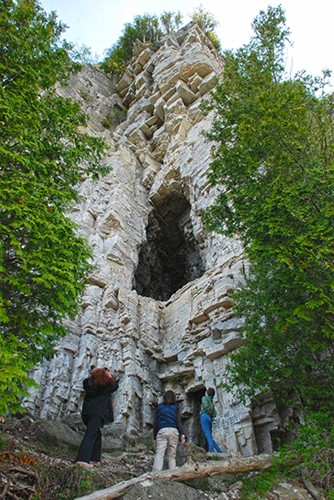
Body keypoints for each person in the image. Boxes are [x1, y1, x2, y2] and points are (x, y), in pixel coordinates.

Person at [75, 367, 119, 467]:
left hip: (87, 413)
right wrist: (110, 377)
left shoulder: (88, 384)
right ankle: (82, 459)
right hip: (97, 413)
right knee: (90, 434)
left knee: (96, 434)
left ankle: (95, 459)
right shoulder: (105, 385)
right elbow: (114, 386)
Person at [152, 390, 186, 472]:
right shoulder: (176, 407)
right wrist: (183, 435)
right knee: (171, 455)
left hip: (162, 430)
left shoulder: (159, 407)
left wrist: (154, 436)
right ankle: (172, 474)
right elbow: (178, 421)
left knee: (159, 453)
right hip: (174, 431)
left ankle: (156, 474)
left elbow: (155, 422)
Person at [200, 387, 222, 453]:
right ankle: (219, 451)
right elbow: (214, 413)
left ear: (207, 392)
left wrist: (208, 412)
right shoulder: (211, 401)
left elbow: (206, 406)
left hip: (204, 416)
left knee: (207, 434)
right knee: (209, 435)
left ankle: (211, 450)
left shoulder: (204, 398)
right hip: (210, 418)